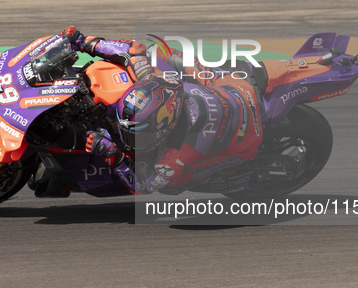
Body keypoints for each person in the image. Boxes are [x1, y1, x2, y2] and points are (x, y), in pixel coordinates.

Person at [60, 26, 263, 194]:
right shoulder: (155, 79)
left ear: (167, 128)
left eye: (140, 136)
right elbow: (133, 50)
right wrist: (84, 42)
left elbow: (143, 186)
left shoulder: (175, 155)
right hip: (229, 88)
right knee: (160, 53)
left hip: (245, 137)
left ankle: (226, 176)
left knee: (174, 184)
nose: (131, 142)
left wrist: (115, 157)